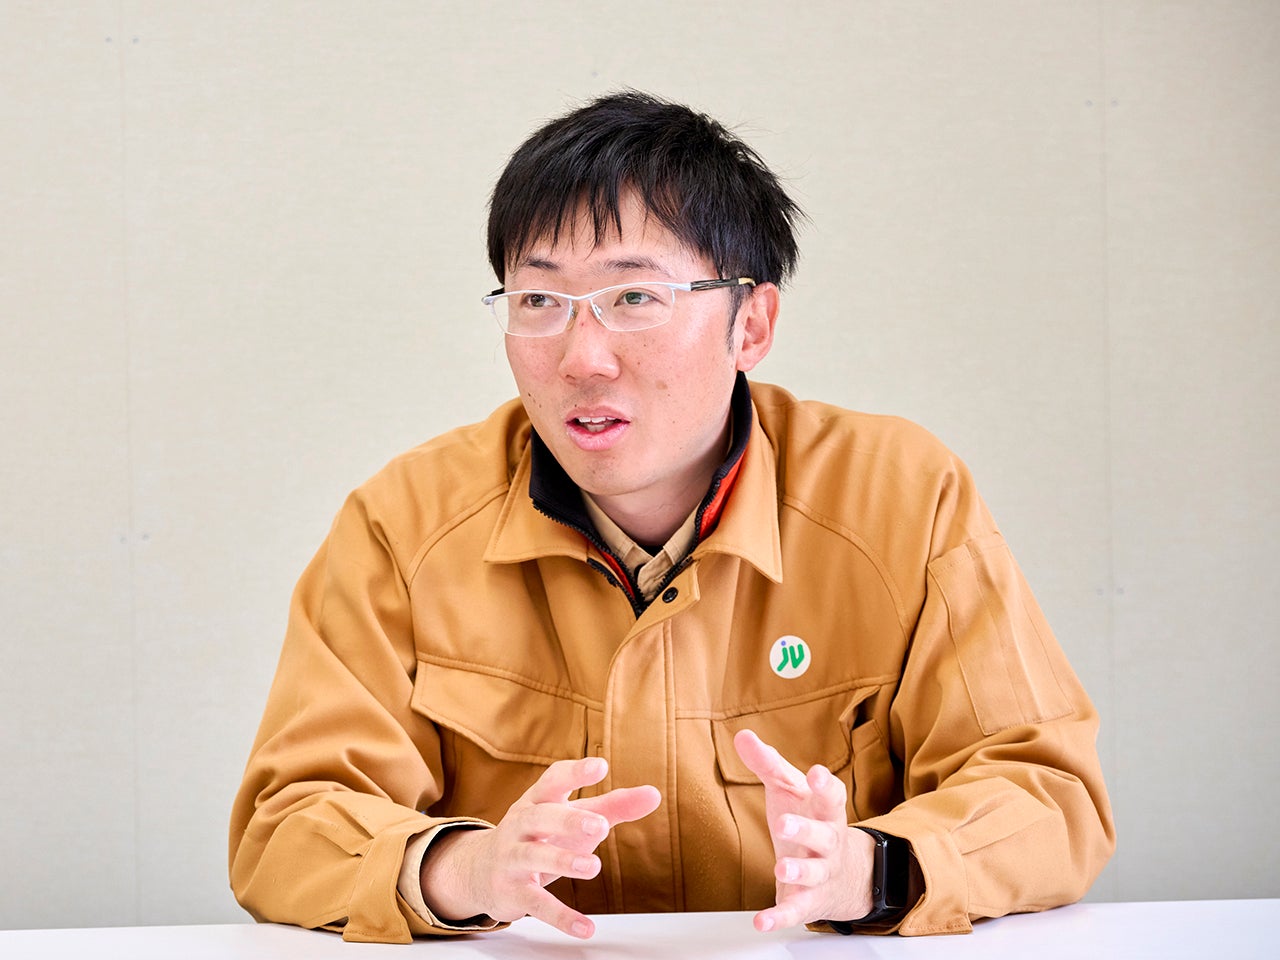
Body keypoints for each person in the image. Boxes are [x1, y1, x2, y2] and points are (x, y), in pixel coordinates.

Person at [229, 91, 1114, 944]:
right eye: (539, 301)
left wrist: (869, 871)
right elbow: (286, 825)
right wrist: (466, 870)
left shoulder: (900, 499)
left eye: (634, 298)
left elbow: (1047, 794)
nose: (582, 358)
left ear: (751, 324)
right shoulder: (404, 525)